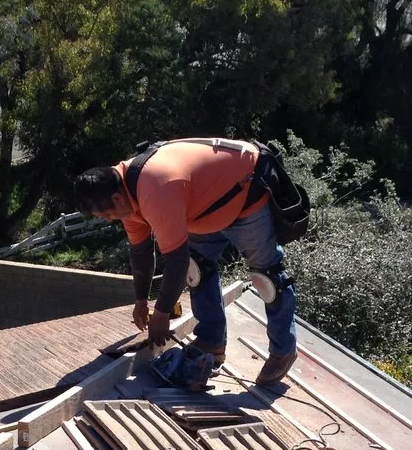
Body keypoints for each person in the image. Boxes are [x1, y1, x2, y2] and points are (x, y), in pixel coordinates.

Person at [73, 137, 298, 386]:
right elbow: (141, 253)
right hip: (205, 205)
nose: (108, 220)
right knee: (197, 269)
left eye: (106, 214)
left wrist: (161, 314)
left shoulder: (155, 188)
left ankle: (283, 351)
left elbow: (176, 262)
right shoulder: (126, 196)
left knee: (268, 278)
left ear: (116, 199)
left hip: (245, 191)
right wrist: (140, 301)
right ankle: (212, 342)